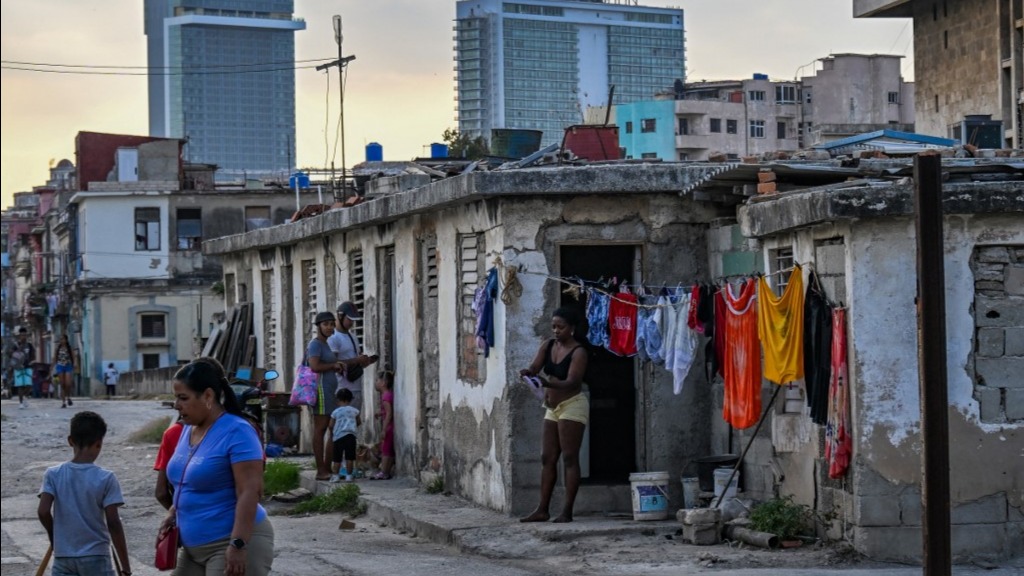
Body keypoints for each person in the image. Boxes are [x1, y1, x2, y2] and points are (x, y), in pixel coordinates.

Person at [160, 358, 274, 575]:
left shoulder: (238, 431)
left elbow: (250, 491)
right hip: (193, 549)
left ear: (208, 396)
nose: (177, 405)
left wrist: (238, 544)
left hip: (230, 543)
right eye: (176, 398)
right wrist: (174, 511)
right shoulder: (188, 429)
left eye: (183, 398)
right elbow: (188, 481)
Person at [37, 410, 131, 576]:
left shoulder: (53, 474)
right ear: (99, 444)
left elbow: (43, 511)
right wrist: (125, 567)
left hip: (63, 557)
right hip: (96, 555)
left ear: (70, 441)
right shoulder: (106, 478)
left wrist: (54, 537)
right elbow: (113, 523)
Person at [519, 306, 589, 523]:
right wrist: (529, 373)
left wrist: (548, 383)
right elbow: (535, 365)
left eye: (561, 327)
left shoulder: (579, 352)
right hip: (551, 407)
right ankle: (542, 509)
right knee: (547, 457)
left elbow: (573, 381)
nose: (556, 331)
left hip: (572, 404)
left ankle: (567, 511)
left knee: (569, 457)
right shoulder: (548, 345)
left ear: (573, 328)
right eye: (554, 327)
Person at [308, 311, 347, 481]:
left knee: (332, 428)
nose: (330, 327)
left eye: (332, 324)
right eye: (326, 324)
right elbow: (315, 366)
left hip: (329, 391)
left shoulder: (326, 344)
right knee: (321, 428)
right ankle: (321, 469)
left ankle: (327, 467)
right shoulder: (316, 344)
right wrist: (333, 365)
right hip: (321, 391)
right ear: (318, 327)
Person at [327, 301, 378, 412]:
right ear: (340, 316)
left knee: (353, 423)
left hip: (356, 387)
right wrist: (356, 360)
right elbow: (333, 363)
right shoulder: (333, 337)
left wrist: (364, 361)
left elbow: (355, 359)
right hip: (341, 389)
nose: (352, 323)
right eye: (349, 319)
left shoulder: (353, 337)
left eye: (353, 320)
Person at [328, 387, 361, 482]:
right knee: (349, 457)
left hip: (338, 437)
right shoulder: (355, 411)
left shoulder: (335, 412)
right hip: (351, 436)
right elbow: (358, 422)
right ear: (350, 399)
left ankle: (335, 476)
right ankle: (349, 476)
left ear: (337, 399)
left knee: (337, 458)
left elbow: (330, 425)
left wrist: (332, 432)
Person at [153, 417, 185, 509]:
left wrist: (176, 515)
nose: (176, 406)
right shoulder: (224, 432)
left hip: (184, 515)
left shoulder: (174, 432)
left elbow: (161, 493)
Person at [371, 370, 395, 480]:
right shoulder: (389, 394)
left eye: (377, 380)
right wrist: (380, 413)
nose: (375, 382)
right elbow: (387, 411)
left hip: (389, 426)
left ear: (383, 383)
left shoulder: (385, 396)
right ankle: (386, 471)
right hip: (390, 426)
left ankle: (384, 472)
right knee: (388, 450)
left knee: (385, 450)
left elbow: (389, 412)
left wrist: (384, 429)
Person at [10, 327, 34, 408]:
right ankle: (20, 403)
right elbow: (11, 355)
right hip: (18, 367)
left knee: (29, 385)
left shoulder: (29, 345)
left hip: (28, 366)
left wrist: (32, 361)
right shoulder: (16, 345)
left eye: (25, 335)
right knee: (20, 386)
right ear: (19, 336)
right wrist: (19, 348)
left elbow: (33, 355)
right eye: (22, 335)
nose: (23, 337)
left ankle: (25, 397)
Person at [53, 334, 75, 408]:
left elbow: (73, 356)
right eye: (61, 339)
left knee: (68, 384)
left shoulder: (69, 348)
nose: (62, 341)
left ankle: (68, 397)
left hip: (68, 366)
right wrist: (53, 367)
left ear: (66, 340)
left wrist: (75, 364)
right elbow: (55, 357)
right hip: (60, 366)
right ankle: (63, 402)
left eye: (63, 339)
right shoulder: (58, 348)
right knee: (62, 384)